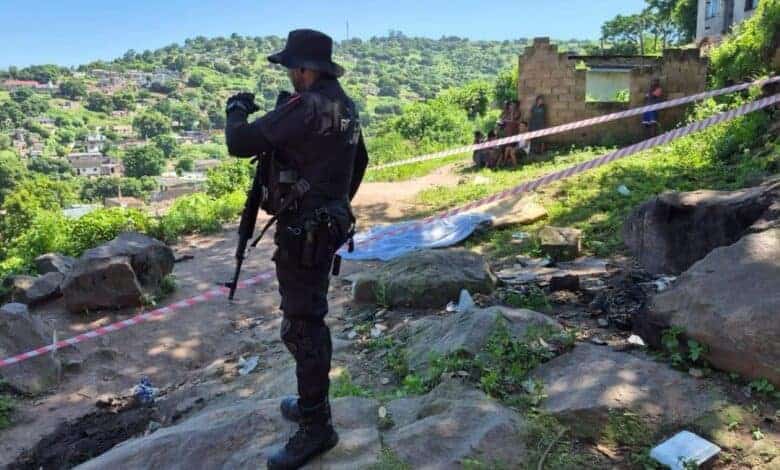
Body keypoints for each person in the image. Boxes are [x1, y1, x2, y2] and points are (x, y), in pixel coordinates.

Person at [224, 29, 368, 470]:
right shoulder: (345, 105)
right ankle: (310, 406)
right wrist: (335, 203)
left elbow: (238, 143)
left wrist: (235, 111)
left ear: (305, 69)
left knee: (302, 325)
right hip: (325, 226)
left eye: (291, 68)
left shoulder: (306, 107)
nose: (289, 75)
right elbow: (360, 161)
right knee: (307, 318)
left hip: (305, 232)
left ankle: (317, 426)